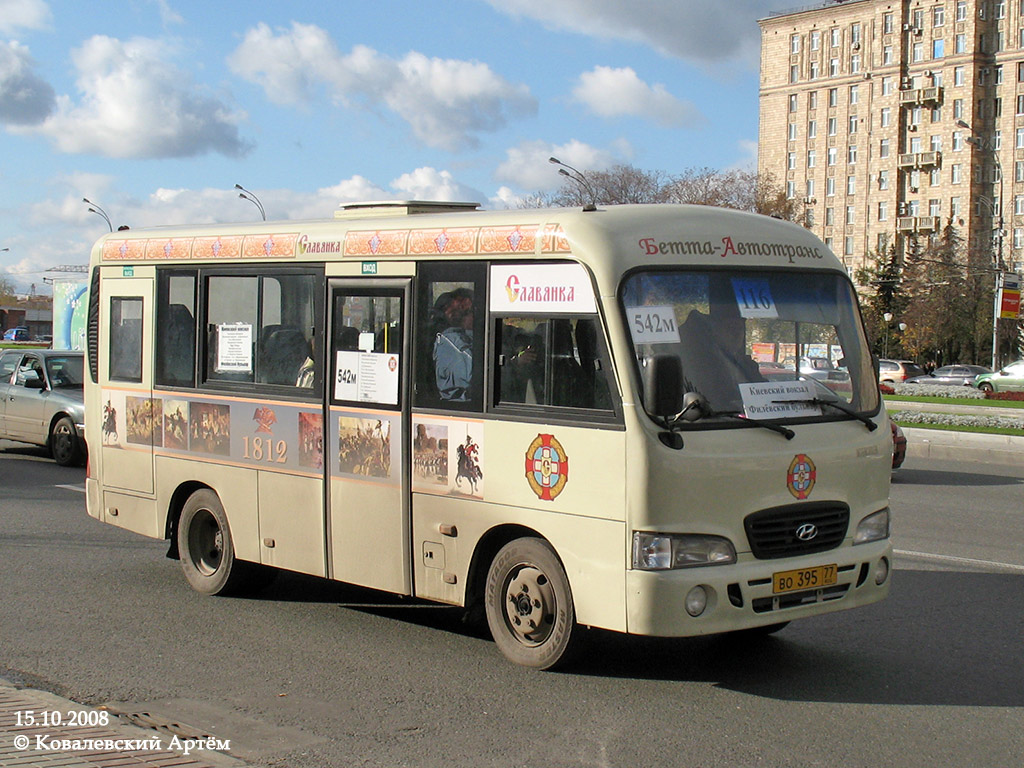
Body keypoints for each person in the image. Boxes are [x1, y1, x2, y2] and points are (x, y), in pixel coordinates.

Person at [433, 288, 474, 401]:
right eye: (446, 307)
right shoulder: (449, 340)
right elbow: (475, 372)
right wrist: (513, 363)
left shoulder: (468, 336)